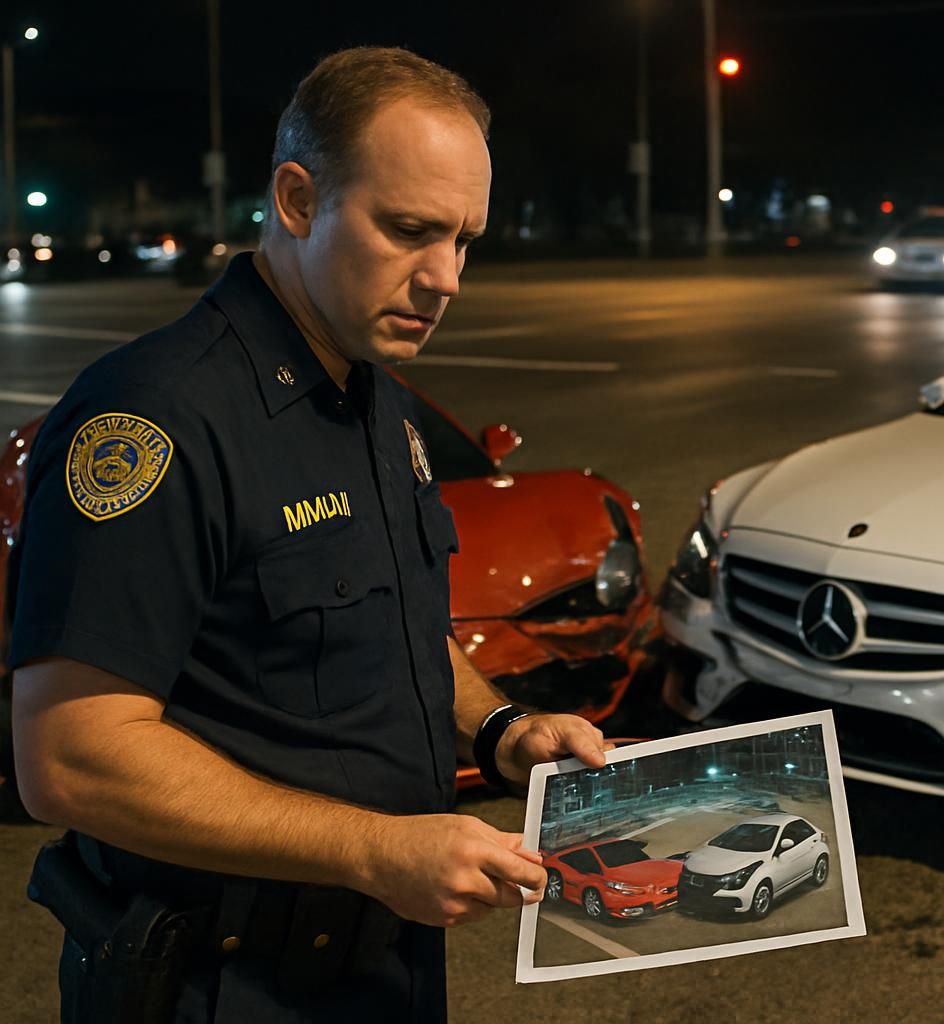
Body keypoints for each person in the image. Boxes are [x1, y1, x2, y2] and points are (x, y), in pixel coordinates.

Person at [5, 47, 607, 1022]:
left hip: (383, 964)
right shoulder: (155, 418)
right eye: (410, 230)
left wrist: (500, 730)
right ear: (296, 199)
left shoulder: (375, 399)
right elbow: (70, 756)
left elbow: (389, 625)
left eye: (465, 239)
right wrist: (375, 848)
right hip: (222, 985)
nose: (446, 277)